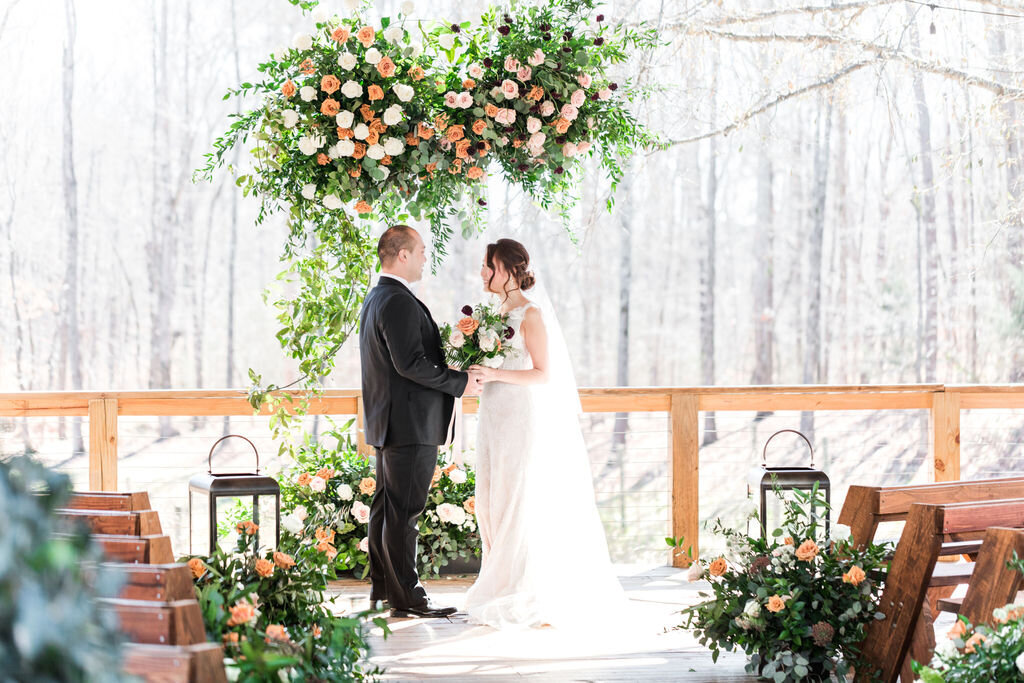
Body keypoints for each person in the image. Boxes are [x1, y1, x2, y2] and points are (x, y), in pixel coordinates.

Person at [464, 238, 628, 629]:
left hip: (520, 415)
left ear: (507, 269)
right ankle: (499, 580)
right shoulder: (493, 313)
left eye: (488, 266)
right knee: (491, 496)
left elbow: (543, 373)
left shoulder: (530, 314)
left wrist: (495, 373)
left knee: (516, 496)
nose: (482, 273)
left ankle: (521, 586)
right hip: (493, 414)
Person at [359, 225, 484, 618]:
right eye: (422, 251)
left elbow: (404, 363)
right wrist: (460, 382)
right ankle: (408, 598)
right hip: (409, 424)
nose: (426, 258)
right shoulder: (395, 300)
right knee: (403, 512)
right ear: (403, 255)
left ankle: (384, 589)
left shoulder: (378, 296)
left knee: (387, 508)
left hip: (391, 421)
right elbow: (409, 364)